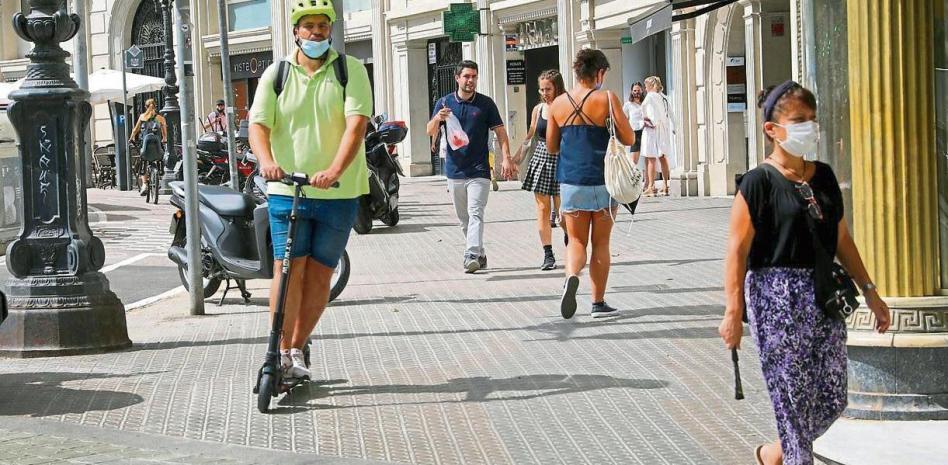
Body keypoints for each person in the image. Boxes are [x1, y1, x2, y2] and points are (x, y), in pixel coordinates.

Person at [718, 81, 891, 465]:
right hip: (774, 296)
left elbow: (841, 237)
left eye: (811, 120)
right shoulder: (758, 183)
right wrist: (732, 311)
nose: (808, 127)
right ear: (772, 130)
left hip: (821, 292)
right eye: (798, 120)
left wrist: (871, 291)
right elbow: (737, 249)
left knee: (831, 396)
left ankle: (774, 453)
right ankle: (794, 454)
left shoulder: (824, 176)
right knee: (792, 397)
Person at [247, 0, 373, 380]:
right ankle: (279, 350)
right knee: (288, 271)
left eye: (322, 25)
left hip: (339, 191)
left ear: (330, 30)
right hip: (288, 190)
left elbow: (356, 125)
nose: (316, 32)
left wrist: (334, 169)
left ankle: (297, 349)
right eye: (308, 26)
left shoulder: (350, 71)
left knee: (320, 275)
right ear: (296, 31)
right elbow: (258, 126)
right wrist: (266, 161)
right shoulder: (276, 74)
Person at [547, 49, 635, 319]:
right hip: (603, 182)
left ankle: (572, 275)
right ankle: (598, 303)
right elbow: (629, 138)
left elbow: (552, 147)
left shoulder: (558, 104)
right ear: (599, 73)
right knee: (601, 243)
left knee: (575, 240)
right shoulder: (606, 98)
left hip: (571, 181)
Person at [426, 60, 516, 273]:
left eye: (474, 76)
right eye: (466, 76)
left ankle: (471, 254)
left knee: (475, 212)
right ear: (457, 78)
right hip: (454, 169)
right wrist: (438, 118)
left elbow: (501, 132)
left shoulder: (485, 104)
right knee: (463, 218)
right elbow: (430, 130)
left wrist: (506, 158)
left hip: (479, 169)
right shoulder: (445, 102)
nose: (471, 80)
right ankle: (480, 254)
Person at [515, 69, 567, 271]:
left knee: (564, 212)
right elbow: (530, 136)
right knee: (543, 210)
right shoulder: (538, 110)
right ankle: (548, 254)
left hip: (562, 158)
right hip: (542, 158)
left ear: (557, 88)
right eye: (542, 89)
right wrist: (515, 160)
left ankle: (570, 241)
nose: (545, 93)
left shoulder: (566, 107)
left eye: (548, 89)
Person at [640, 76, 676, 196]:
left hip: (652, 130)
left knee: (651, 158)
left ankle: (651, 186)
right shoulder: (664, 97)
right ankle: (665, 185)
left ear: (650, 85)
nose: (645, 88)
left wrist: (647, 122)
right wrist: (674, 127)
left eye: (646, 85)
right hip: (664, 130)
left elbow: (647, 112)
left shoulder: (650, 96)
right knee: (662, 156)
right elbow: (671, 113)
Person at [127, 98, 167, 195]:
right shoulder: (161, 118)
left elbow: (135, 130)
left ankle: (144, 184)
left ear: (145, 107)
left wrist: (131, 138)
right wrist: (164, 138)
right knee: (159, 158)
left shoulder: (142, 117)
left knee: (143, 161)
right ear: (156, 106)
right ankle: (159, 175)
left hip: (145, 146)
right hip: (157, 146)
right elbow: (164, 134)